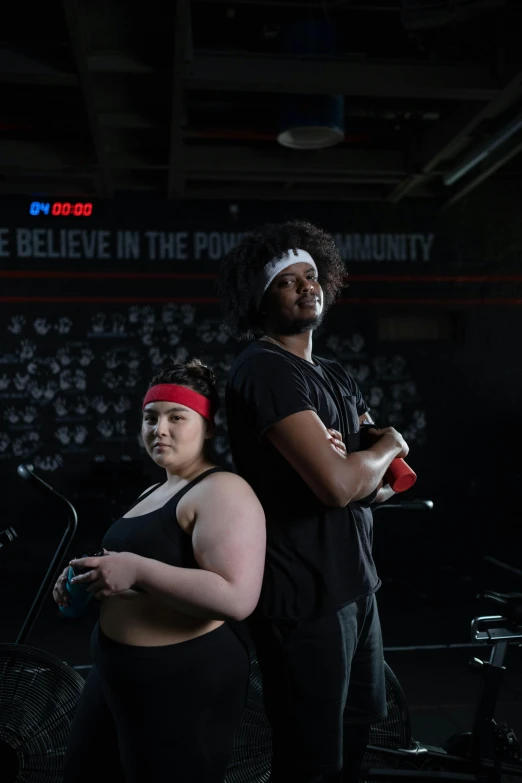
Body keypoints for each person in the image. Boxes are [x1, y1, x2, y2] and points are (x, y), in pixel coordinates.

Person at [218, 219, 409, 783]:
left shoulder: (333, 374)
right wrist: (381, 447)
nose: (307, 285)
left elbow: (387, 483)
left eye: (311, 274)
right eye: (287, 281)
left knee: (355, 738)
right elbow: (342, 485)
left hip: (358, 585)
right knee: (311, 756)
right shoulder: (264, 370)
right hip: (303, 597)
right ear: (260, 298)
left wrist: (358, 464)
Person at [52, 359, 266, 783]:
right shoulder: (158, 488)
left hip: (179, 682)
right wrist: (90, 576)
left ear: (207, 426)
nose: (159, 429)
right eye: (150, 418)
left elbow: (237, 597)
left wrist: (134, 570)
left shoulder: (223, 489)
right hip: (115, 673)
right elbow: (146, 571)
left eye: (176, 417)